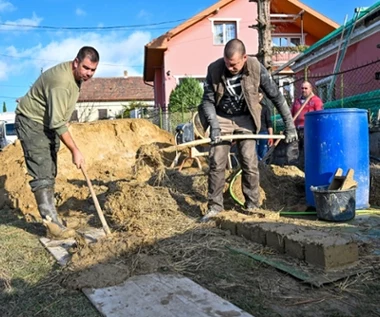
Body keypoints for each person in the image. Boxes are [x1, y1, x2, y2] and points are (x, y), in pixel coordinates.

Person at [199, 39, 297, 222]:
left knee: (249, 161)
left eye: (234, 64)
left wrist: (289, 125)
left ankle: (252, 205)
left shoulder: (256, 68)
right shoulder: (214, 69)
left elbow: (276, 97)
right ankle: (215, 207)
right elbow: (207, 101)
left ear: (244, 57)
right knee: (216, 161)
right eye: (227, 63)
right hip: (222, 117)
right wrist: (214, 125)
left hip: (247, 118)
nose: (230, 67)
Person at [15, 46, 100, 239]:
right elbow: (57, 121)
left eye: (93, 70)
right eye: (86, 68)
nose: (89, 74)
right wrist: (75, 150)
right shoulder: (62, 81)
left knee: (50, 168)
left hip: (46, 124)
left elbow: (58, 115)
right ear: (76, 61)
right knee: (42, 169)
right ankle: (52, 225)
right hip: (31, 122)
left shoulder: (75, 78)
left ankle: (52, 217)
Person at [291, 81, 324, 169]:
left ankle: (309, 168)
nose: (303, 90)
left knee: (308, 150)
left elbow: (319, 115)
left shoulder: (316, 100)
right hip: (298, 130)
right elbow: (292, 115)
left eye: (306, 88)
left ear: (310, 89)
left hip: (309, 130)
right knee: (297, 151)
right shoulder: (297, 102)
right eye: (302, 88)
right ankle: (298, 168)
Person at [256, 92, 273, 160]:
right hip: (253, 132)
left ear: (262, 96)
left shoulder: (265, 108)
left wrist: (271, 136)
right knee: (253, 152)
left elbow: (269, 122)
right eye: (257, 96)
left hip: (263, 133)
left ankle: (263, 167)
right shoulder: (250, 108)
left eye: (260, 96)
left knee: (263, 152)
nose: (258, 98)